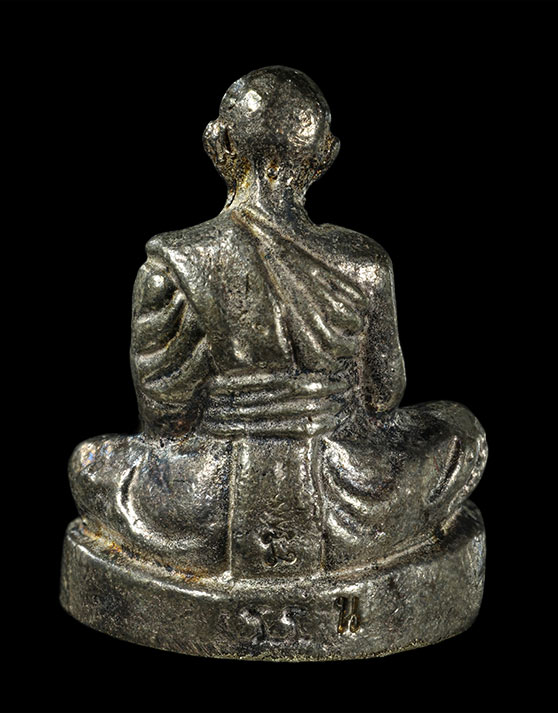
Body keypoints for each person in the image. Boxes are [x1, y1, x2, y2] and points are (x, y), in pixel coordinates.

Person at [70, 66, 487, 578]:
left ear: (219, 144)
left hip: (206, 503)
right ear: (326, 154)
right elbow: (383, 395)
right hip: (344, 498)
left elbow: (166, 421)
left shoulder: (173, 264)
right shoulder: (363, 263)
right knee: (459, 431)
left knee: (89, 463)